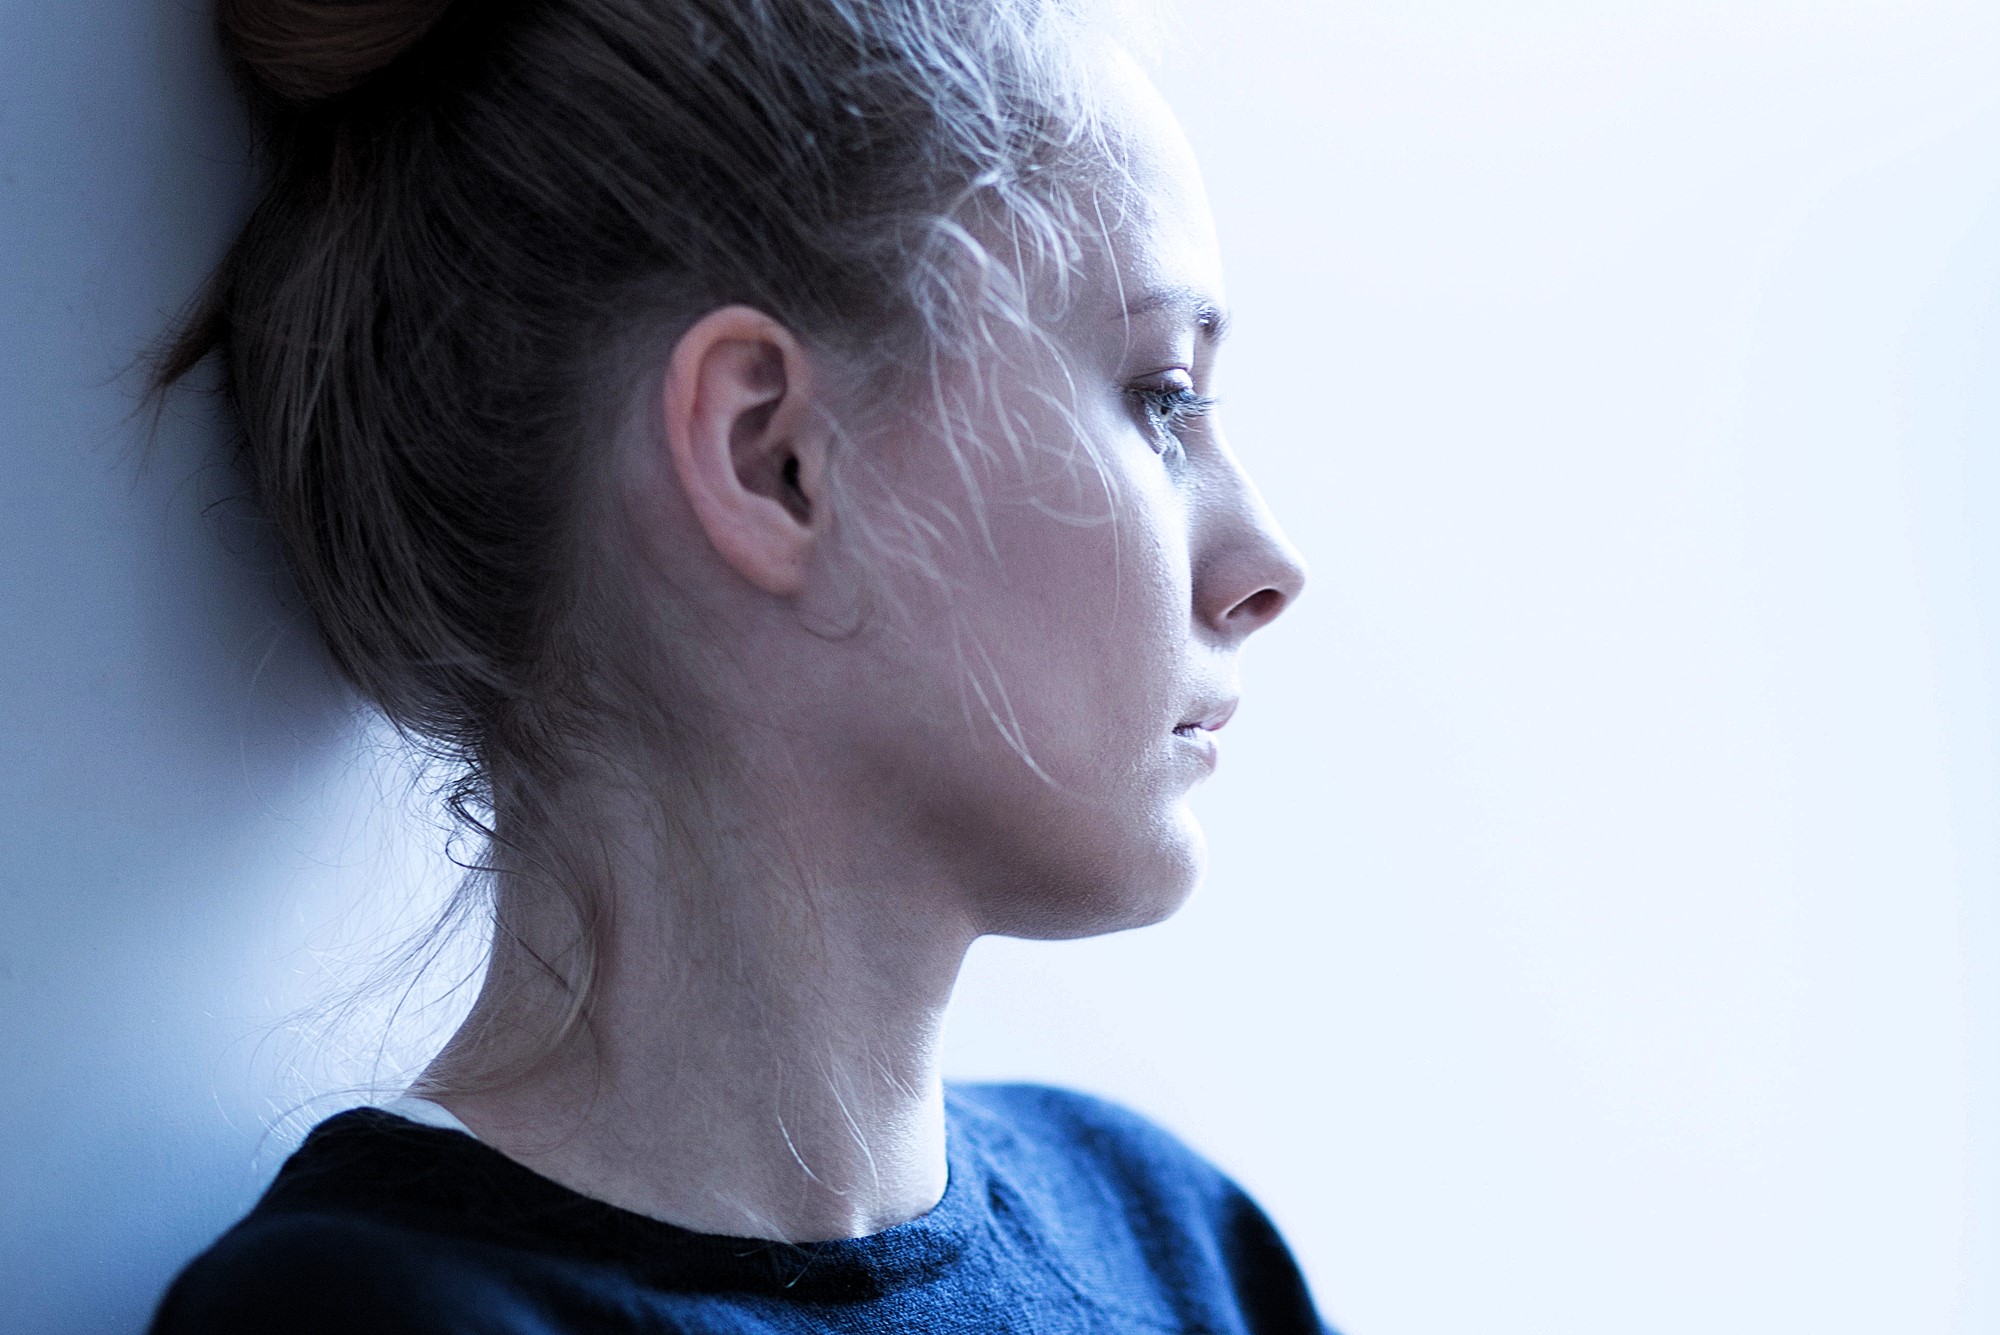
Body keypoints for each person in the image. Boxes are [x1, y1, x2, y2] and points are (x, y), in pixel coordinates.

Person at [150, 0, 1321, 1330]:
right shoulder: (380, 1318)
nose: (1269, 563)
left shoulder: (1175, 1245)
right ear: (774, 458)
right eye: (1160, 398)